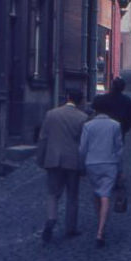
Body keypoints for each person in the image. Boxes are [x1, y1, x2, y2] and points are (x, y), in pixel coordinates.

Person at [37, 88, 88, 243]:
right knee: (72, 195)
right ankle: (70, 227)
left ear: (67, 97)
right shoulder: (83, 117)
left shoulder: (51, 114)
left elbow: (43, 138)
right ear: (80, 101)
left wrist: (41, 158)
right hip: (73, 161)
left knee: (53, 193)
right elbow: (84, 144)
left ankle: (51, 219)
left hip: (54, 159)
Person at [79, 93, 123, 247]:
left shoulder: (88, 126)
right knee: (105, 195)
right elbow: (119, 149)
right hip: (109, 163)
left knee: (98, 193)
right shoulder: (115, 125)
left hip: (92, 164)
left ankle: (100, 223)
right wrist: (120, 168)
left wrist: (82, 163)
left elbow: (82, 148)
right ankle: (100, 231)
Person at [94, 76, 131, 140]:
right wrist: (125, 128)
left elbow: (94, 108)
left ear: (112, 86)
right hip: (120, 127)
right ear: (123, 88)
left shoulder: (102, 98)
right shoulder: (127, 100)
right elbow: (130, 116)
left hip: (104, 127)